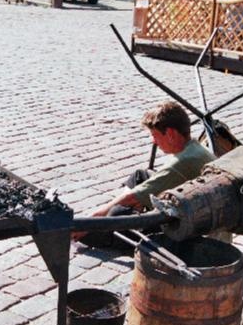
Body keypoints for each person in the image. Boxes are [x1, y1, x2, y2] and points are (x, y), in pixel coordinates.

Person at [73, 101, 219, 249]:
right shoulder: (194, 147)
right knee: (140, 175)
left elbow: (129, 198)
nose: (153, 141)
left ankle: (95, 234)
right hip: (196, 206)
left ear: (170, 134)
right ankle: (135, 207)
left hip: (193, 229)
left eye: (154, 135)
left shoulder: (183, 162)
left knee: (116, 214)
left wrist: (92, 219)